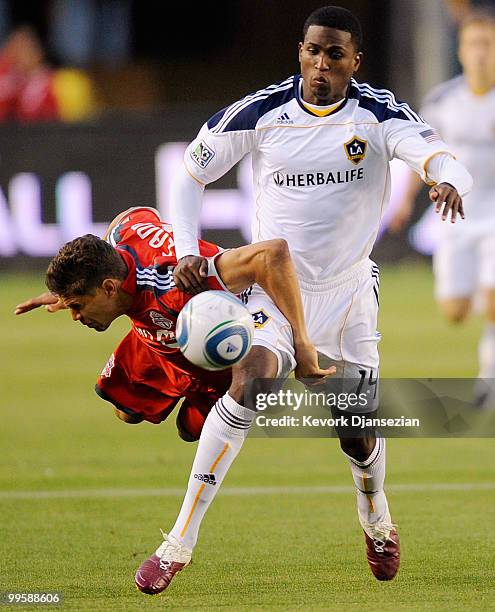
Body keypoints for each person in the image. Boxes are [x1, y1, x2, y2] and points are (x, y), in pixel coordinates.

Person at [134, 6, 473, 594]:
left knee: (355, 430)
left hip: (347, 294)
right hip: (275, 287)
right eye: (313, 51)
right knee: (252, 377)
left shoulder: (378, 113)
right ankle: (177, 542)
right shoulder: (262, 113)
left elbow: (436, 155)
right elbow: (191, 172)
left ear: (354, 62)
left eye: (334, 54)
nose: (321, 64)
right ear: (300, 51)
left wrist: (447, 181)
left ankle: (376, 517)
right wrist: (185, 248)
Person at [15, 206, 333, 437]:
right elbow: (134, 214)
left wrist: (302, 342)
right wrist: (76, 287)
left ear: (109, 288)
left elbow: (271, 255)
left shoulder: (181, 279)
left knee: (189, 430)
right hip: (156, 335)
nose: (75, 315)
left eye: (77, 306)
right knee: (125, 413)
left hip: (213, 350)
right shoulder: (121, 237)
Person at [390, 11, 495, 406]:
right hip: (456, 219)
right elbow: (423, 156)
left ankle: (489, 381)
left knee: (493, 301)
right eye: (474, 44)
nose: (481, 53)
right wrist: (402, 202)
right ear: (463, 52)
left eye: (488, 44)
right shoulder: (443, 101)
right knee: (454, 311)